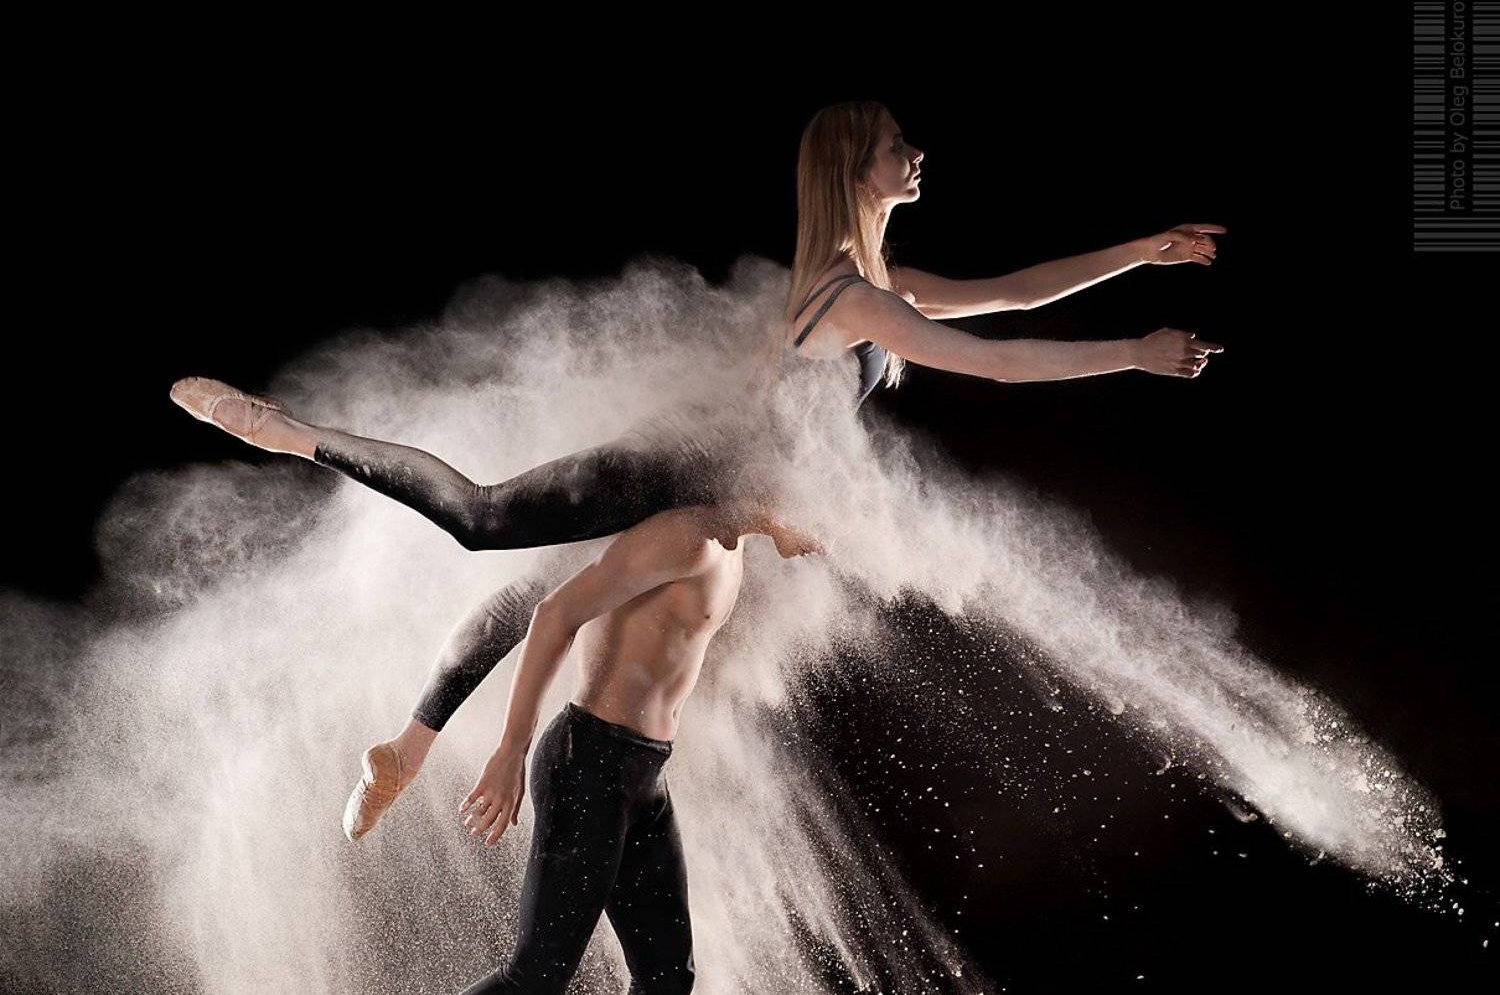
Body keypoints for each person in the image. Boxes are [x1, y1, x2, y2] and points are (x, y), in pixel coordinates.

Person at [172, 99, 1226, 833]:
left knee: (544, 586)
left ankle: (405, 750)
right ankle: (291, 434)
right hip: (691, 468)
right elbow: (993, 361)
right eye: (896, 144)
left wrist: (1140, 251)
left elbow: (1013, 292)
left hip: (722, 487)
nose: (917, 153)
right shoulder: (850, 297)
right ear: (854, 168)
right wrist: (1132, 354)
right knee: (485, 519)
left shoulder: (880, 281)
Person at [348, 498, 823, 995]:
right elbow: (553, 616)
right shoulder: (686, 535)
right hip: (589, 766)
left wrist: (778, 526)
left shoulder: (732, 547)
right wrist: (510, 749)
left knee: (666, 975)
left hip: (643, 775)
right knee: (535, 979)